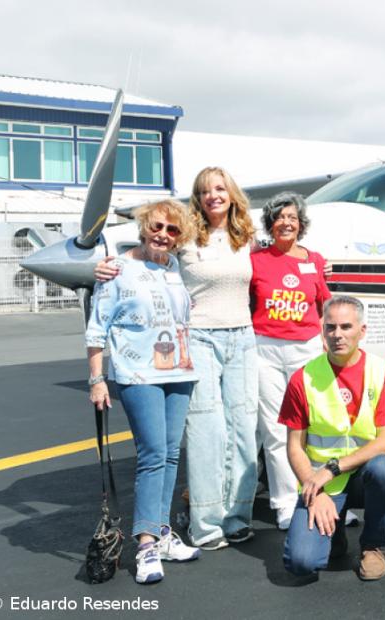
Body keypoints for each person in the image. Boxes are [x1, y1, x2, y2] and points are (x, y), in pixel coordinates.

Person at [95, 167, 261, 552]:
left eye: (220, 188)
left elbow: (287, 247)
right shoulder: (184, 236)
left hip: (243, 336)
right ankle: (205, 523)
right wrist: (103, 266)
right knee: (207, 430)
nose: (213, 196)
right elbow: (141, 254)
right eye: (204, 191)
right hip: (197, 338)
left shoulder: (247, 237)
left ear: (232, 193)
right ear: (197, 198)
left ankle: (238, 516)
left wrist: (320, 265)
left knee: (243, 427)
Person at [85, 199, 201, 584]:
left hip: (179, 370)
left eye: (172, 230)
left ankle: (163, 531)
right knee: (152, 454)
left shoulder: (175, 268)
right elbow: (97, 327)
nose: (163, 235)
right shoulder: (117, 269)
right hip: (138, 373)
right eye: (157, 227)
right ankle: (147, 544)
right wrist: (97, 378)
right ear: (144, 226)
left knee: (170, 455)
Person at [278, 296, 385, 580]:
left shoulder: (382, 372)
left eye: (346, 326)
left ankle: (372, 545)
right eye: (331, 327)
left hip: (362, 476)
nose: (337, 335)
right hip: (323, 484)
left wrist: (332, 468)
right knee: (301, 563)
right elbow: (294, 447)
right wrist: (316, 493)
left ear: (362, 331)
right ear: (322, 330)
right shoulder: (303, 378)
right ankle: (332, 532)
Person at [250, 191, 332, 530]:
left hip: (307, 347)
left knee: (314, 425)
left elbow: (325, 304)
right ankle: (285, 503)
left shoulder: (314, 259)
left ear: (301, 224)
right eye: (280, 217)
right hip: (265, 349)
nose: (286, 222)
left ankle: (326, 493)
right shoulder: (256, 259)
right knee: (275, 429)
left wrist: (329, 344)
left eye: (292, 217)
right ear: (270, 224)